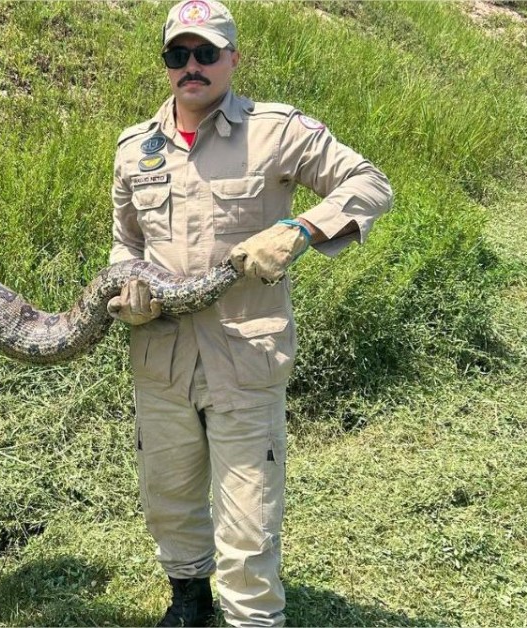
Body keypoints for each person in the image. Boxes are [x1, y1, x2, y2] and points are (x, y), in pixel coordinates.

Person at [106, 1, 393, 625]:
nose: (192, 66)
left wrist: (299, 230)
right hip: (160, 357)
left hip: (245, 355)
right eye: (178, 54)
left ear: (233, 59)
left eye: (206, 53)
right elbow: (125, 242)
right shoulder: (135, 148)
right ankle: (188, 599)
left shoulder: (278, 131)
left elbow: (370, 183)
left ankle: (252, 617)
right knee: (170, 496)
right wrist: (126, 287)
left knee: (248, 513)